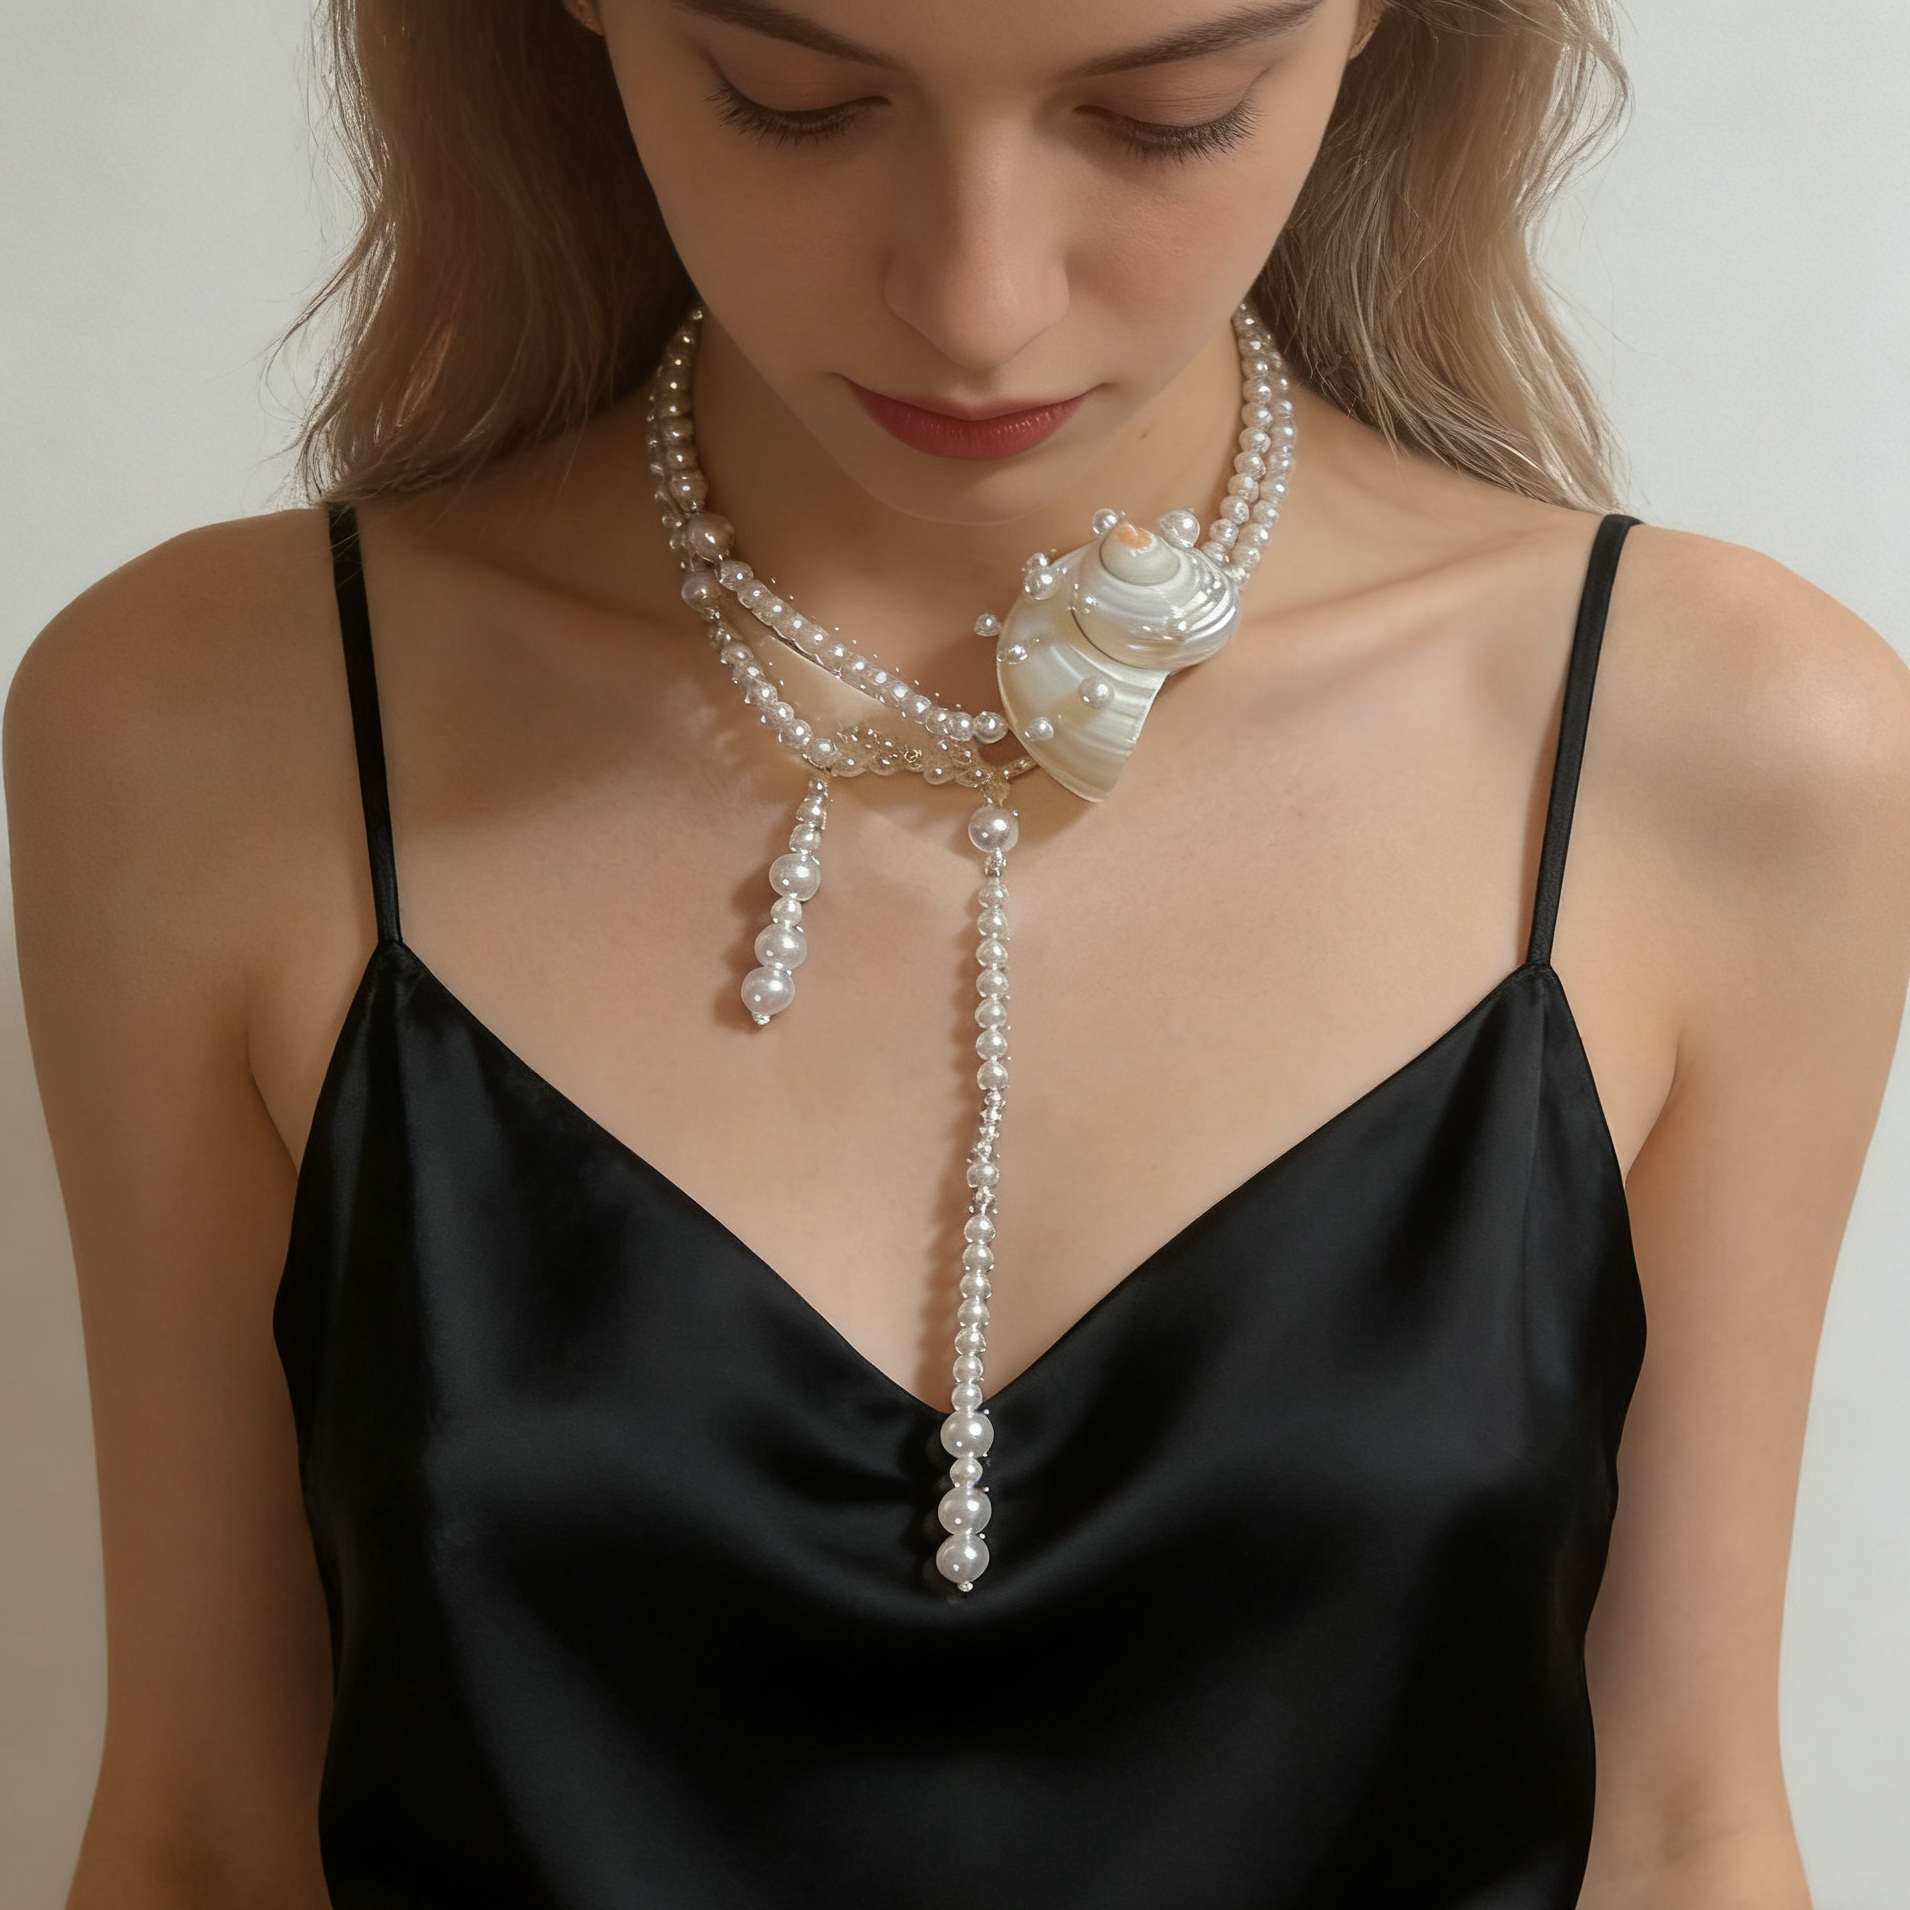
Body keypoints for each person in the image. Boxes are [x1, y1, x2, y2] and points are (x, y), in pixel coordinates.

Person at [7, 0, 1909, 1903]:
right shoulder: (205, 729)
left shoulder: (1720, 748)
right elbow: (199, 1840)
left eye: (1166, 113)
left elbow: (1683, 1831)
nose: (977, 302)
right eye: (793, 100)